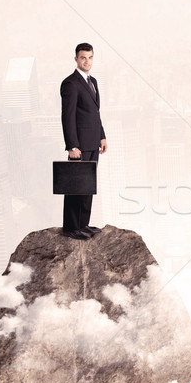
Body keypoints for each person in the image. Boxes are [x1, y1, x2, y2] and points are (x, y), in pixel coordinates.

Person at [60, 42, 107, 240]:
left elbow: (94, 113)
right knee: (75, 187)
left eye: (90, 57)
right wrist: (72, 145)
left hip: (93, 142)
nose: (87, 61)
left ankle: (83, 224)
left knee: (88, 186)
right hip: (79, 145)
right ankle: (71, 227)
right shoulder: (70, 83)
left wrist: (102, 136)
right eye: (83, 58)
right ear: (76, 59)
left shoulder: (93, 81)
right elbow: (67, 116)